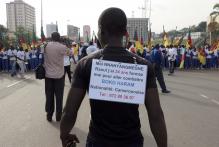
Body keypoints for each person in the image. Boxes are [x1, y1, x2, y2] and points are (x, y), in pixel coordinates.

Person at [60, 7, 167, 147]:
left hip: (98, 142)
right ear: (125, 32)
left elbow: (69, 111)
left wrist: (64, 134)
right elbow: (156, 115)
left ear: (101, 31)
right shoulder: (143, 65)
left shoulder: (86, 64)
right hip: (132, 142)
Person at [43, 32, 66, 122]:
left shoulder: (45, 46)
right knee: (59, 97)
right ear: (59, 38)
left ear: (51, 38)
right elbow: (71, 53)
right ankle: (58, 116)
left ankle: (49, 115)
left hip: (48, 75)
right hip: (59, 76)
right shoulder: (62, 47)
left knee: (49, 96)